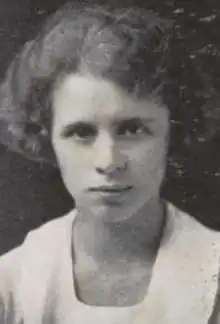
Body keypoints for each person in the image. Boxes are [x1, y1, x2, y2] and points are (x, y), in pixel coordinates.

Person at [0, 3, 219, 324]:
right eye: (80, 132)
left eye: (132, 130)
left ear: (172, 130)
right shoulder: (13, 285)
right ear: (47, 137)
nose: (109, 161)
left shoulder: (212, 271)